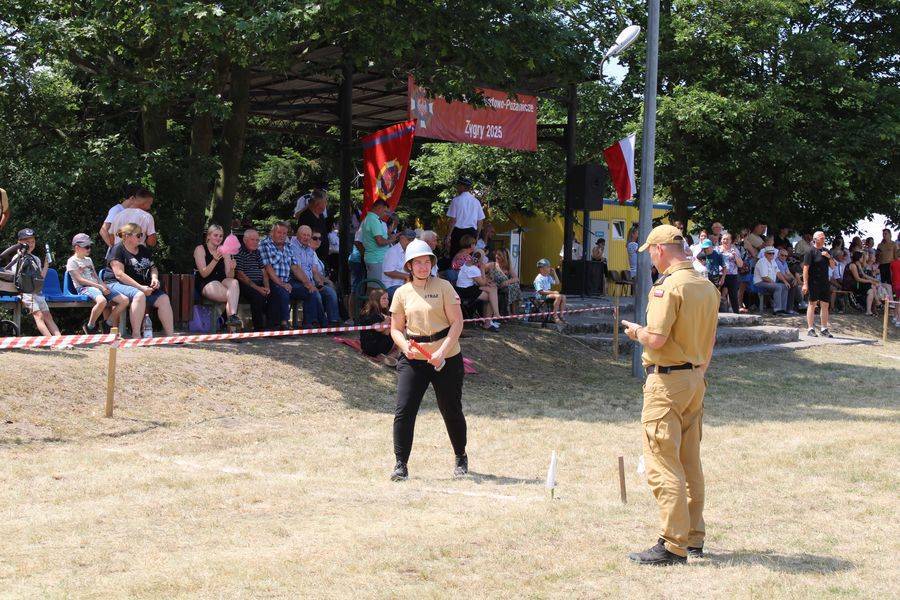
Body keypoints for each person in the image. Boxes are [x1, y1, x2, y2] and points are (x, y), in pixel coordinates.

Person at [621, 224, 719, 566]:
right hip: (694, 380)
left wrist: (636, 332)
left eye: (650, 251)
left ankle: (673, 544)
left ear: (660, 250)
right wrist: (698, 372)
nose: (650, 257)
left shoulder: (667, 288)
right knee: (690, 461)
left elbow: (657, 338)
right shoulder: (706, 286)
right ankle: (693, 537)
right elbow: (710, 339)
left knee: (663, 462)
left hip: (667, 382)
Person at [389, 239, 468, 481]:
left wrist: (441, 352)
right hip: (414, 359)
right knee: (404, 410)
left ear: (432, 264)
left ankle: (460, 456)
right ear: (409, 266)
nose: (423, 267)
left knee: (451, 409)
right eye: (418, 263)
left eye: (426, 262)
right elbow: (395, 329)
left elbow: (457, 323)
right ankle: (400, 464)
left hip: (446, 357)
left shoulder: (444, 286)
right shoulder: (401, 293)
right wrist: (405, 347)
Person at [104, 223, 175, 338]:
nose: (141, 238)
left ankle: (171, 336)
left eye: (142, 235)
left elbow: (153, 267)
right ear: (127, 236)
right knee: (139, 295)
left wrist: (154, 278)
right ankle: (136, 335)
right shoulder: (117, 249)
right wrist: (140, 288)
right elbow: (119, 275)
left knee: (164, 298)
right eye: (138, 235)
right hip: (115, 284)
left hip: (141, 286)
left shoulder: (143, 250)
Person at [66, 233, 128, 334]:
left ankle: (107, 324)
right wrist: (99, 286)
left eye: (90, 246)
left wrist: (104, 286)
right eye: (86, 247)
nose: (89, 249)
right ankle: (90, 326)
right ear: (77, 247)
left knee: (124, 300)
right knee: (102, 301)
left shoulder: (88, 260)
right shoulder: (71, 261)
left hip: (97, 287)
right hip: (84, 288)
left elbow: (96, 276)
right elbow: (80, 280)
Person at [5, 228, 61, 336]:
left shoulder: (36, 259)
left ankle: (60, 340)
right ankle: (50, 341)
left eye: (33, 241)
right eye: (27, 241)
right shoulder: (17, 258)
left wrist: (46, 265)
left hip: (37, 292)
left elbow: (40, 278)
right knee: (39, 315)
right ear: (19, 242)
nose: (30, 244)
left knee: (48, 316)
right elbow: (17, 279)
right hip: (25, 293)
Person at [259, 221, 308, 330]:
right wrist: (282, 284)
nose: (282, 235)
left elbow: (295, 267)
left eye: (284, 233)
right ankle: (284, 323)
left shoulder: (288, 246)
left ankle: (310, 323)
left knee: (309, 291)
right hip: (270, 280)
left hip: (287, 281)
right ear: (272, 232)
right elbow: (268, 268)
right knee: (282, 291)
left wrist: (307, 283)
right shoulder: (265, 244)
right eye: (279, 232)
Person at [289, 225, 340, 327]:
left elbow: (314, 271)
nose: (306, 237)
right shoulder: (292, 248)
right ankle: (313, 323)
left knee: (329, 291)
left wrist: (319, 283)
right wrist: (309, 284)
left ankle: (333, 322)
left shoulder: (310, 250)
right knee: (313, 293)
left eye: (308, 235)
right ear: (297, 235)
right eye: (304, 235)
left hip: (310, 281)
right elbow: (296, 270)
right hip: (296, 281)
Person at [193, 224, 242, 329]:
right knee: (232, 296)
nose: (218, 238)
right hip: (206, 282)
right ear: (208, 236)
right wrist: (215, 260)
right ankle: (232, 327)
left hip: (222, 281)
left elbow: (229, 276)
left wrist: (232, 268)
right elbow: (204, 273)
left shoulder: (225, 251)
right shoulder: (200, 249)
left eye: (221, 236)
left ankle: (231, 318)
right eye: (215, 235)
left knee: (234, 282)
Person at [455, 249, 501, 331]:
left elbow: (479, 281)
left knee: (492, 290)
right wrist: (482, 269)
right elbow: (482, 283)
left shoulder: (467, 264)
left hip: (462, 289)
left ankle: (493, 316)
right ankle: (490, 320)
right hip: (466, 291)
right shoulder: (473, 269)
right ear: (480, 260)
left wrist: (487, 281)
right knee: (490, 296)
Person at [234, 228, 270, 331]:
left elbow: (264, 271)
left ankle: (273, 325)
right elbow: (240, 274)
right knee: (257, 296)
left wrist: (267, 287)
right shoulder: (239, 252)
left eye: (257, 240)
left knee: (274, 293)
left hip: (259, 283)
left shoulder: (257, 252)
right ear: (245, 240)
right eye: (252, 240)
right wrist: (258, 288)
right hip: (245, 284)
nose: (255, 242)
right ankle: (259, 328)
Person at [802, 231, 836, 338]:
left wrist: (829, 257)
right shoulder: (810, 251)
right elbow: (805, 269)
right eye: (821, 238)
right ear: (815, 239)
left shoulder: (826, 251)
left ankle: (824, 329)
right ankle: (810, 328)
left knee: (825, 305)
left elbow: (833, 266)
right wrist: (805, 284)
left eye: (824, 238)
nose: (823, 240)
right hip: (813, 282)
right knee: (812, 304)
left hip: (824, 282)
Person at [105, 187, 157, 251]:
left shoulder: (118, 215)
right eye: (150, 204)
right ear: (146, 203)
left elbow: (111, 237)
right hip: (136, 254)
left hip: (118, 253)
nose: (149, 207)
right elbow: (151, 242)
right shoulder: (147, 216)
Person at [360, 200, 398, 287]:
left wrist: (390, 236)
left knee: (373, 288)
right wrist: (391, 240)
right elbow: (380, 241)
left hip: (374, 259)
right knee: (377, 289)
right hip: (376, 260)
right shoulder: (374, 220)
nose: (385, 214)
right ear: (379, 208)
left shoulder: (369, 219)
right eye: (385, 211)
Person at [445, 176, 485, 256]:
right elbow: (480, 221)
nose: (457, 187)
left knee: (455, 256)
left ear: (463, 187)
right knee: (469, 256)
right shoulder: (476, 201)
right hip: (471, 233)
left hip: (458, 233)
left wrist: (448, 235)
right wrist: (477, 235)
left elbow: (453, 220)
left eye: (458, 185)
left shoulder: (456, 200)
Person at [357, 288, 398, 366]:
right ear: (376, 300)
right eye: (384, 298)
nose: (387, 301)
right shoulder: (371, 314)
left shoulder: (376, 311)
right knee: (397, 332)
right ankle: (393, 356)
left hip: (367, 347)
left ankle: (392, 355)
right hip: (373, 347)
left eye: (387, 298)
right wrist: (388, 320)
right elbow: (379, 328)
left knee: (391, 329)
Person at [296, 189, 334, 267]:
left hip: (322, 258)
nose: (326, 204)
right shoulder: (305, 217)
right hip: (311, 260)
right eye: (324, 202)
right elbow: (303, 240)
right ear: (317, 204)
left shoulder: (321, 215)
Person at [381, 229, 418, 299]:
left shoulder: (409, 251)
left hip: (402, 285)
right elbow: (388, 272)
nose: (411, 242)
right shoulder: (393, 251)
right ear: (402, 238)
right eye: (409, 240)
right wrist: (408, 276)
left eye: (413, 240)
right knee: (413, 295)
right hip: (391, 287)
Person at [842, 250, 879, 315]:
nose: (863, 259)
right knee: (870, 285)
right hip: (850, 285)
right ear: (859, 258)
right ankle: (877, 302)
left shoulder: (858, 265)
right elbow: (857, 278)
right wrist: (870, 281)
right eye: (862, 257)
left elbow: (864, 275)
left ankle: (869, 310)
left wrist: (874, 280)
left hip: (856, 284)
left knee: (871, 290)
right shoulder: (853, 265)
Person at [753, 247, 788, 313]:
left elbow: (778, 272)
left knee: (784, 286)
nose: (771, 255)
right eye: (769, 253)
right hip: (760, 283)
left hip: (769, 282)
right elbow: (764, 277)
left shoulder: (773, 261)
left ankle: (783, 309)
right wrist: (774, 283)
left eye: (773, 253)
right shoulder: (762, 261)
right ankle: (777, 309)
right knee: (778, 287)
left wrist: (785, 281)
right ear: (765, 254)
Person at [718, 232, 745, 313]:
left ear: (731, 241)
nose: (725, 241)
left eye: (727, 239)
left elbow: (740, 265)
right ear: (721, 240)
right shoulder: (717, 249)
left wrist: (735, 256)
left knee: (733, 295)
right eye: (724, 239)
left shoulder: (735, 250)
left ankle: (736, 313)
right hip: (720, 275)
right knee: (717, 295)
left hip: (732, 275)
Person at [534, 258, 567, 324]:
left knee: (563, 297)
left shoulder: (548, 277)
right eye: (548, 267)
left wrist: (554, 273)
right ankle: (554, 316)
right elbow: (540, 291)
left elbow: (557, 282)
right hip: (541, 296)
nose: (550, 268)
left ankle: (561, 316)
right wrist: (553, 292)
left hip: (548, 295)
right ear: (542, 269)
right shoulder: (538, 278)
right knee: (558, 296)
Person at [492, 248, 523, 315]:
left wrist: (507, 282)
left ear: (504, 257)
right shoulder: (493, 265)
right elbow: (483, 269)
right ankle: (511, 312)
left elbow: (516, 279)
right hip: (494, 287)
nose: (496, 256)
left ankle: (513, 312)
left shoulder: (507, 267)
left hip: (503, 288)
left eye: (499, 255)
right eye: (496, 254)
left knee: (514, 286)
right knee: (511, 288)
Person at [775, 248, 802, 314]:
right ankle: (797, 304)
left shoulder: (784, 262)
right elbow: (783, 275)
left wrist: (794, 279)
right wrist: (793, 280)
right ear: (778, 255)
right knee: (793, 284)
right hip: (777, 279)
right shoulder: (777, 262)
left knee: (794, 284)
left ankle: (796, 306)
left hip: (783, 279)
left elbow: (788, 273)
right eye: (782, 255)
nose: (784, 257)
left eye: (785, 256)